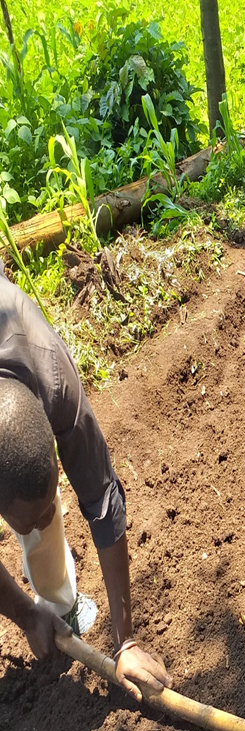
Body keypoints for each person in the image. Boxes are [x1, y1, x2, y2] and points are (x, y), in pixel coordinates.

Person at [0, 276, 170, 700]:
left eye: (48, 506)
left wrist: (125, 640)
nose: (45, 521)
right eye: (28, 519)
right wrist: (23, 614)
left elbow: (101, 496)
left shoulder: (53, 378)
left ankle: (56, 601)